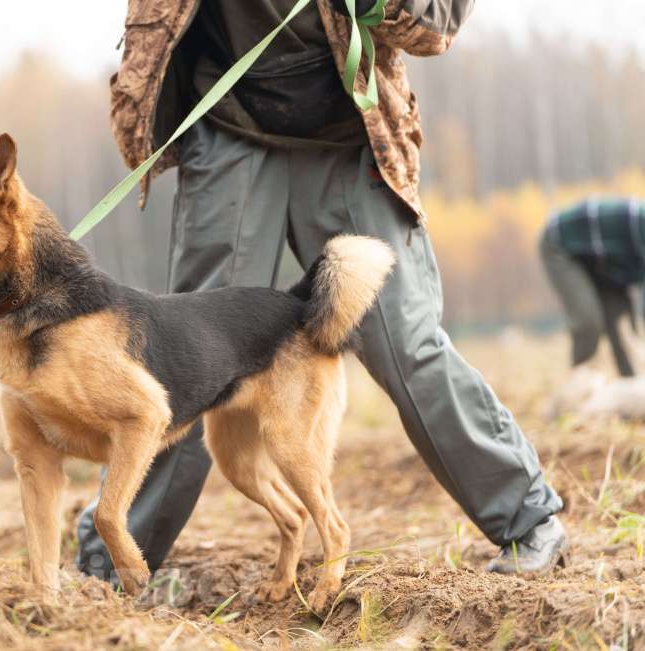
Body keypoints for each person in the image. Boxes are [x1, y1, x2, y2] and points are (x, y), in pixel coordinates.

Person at [77, 0, 566, 580]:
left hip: (351, 135)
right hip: (228, 128)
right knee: (188, 357)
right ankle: (108, 563)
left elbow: (440, 23)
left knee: (405, 344)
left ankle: (528, 520)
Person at [540, 197, 645, 379]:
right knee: (588, 322)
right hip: (561, 245)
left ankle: (633, 382)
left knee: (623, 327)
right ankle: (577, 386)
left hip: (606, 262)